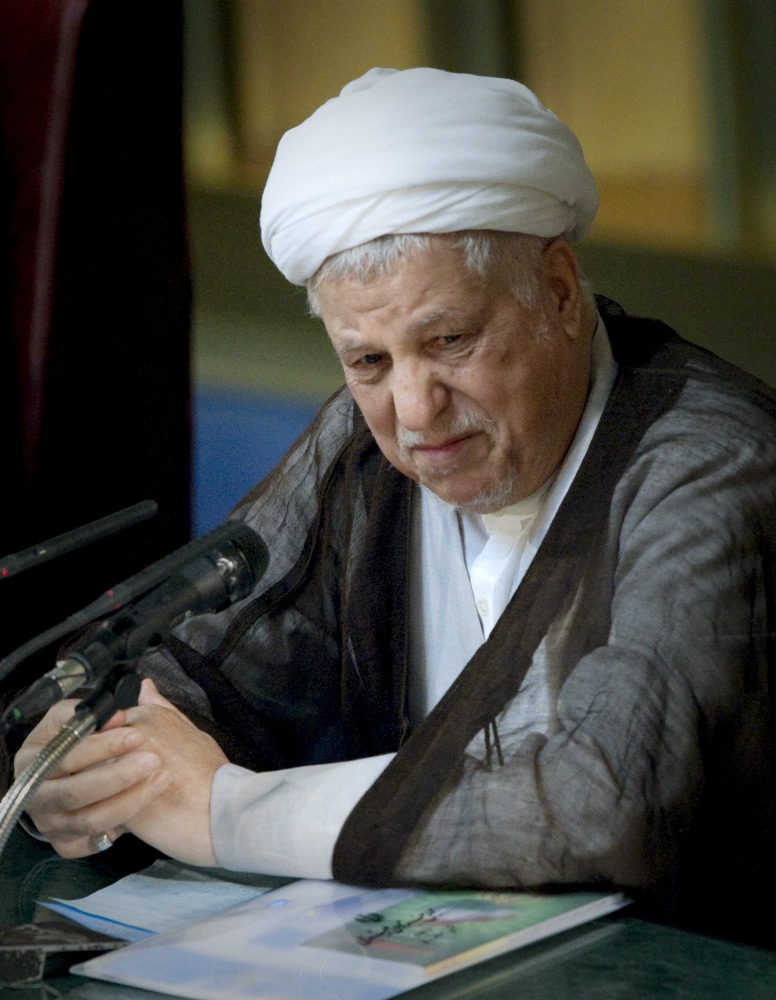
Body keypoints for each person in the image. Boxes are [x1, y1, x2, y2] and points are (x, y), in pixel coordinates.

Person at [10, 68, 776, 947]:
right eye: (368, 362)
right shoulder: (360, 446)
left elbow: (605, 801)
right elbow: (205, 669)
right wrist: (87, 764)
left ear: (559, 291)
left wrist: (227, 812)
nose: (414, 412)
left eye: (449, 341)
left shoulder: (713, 466)